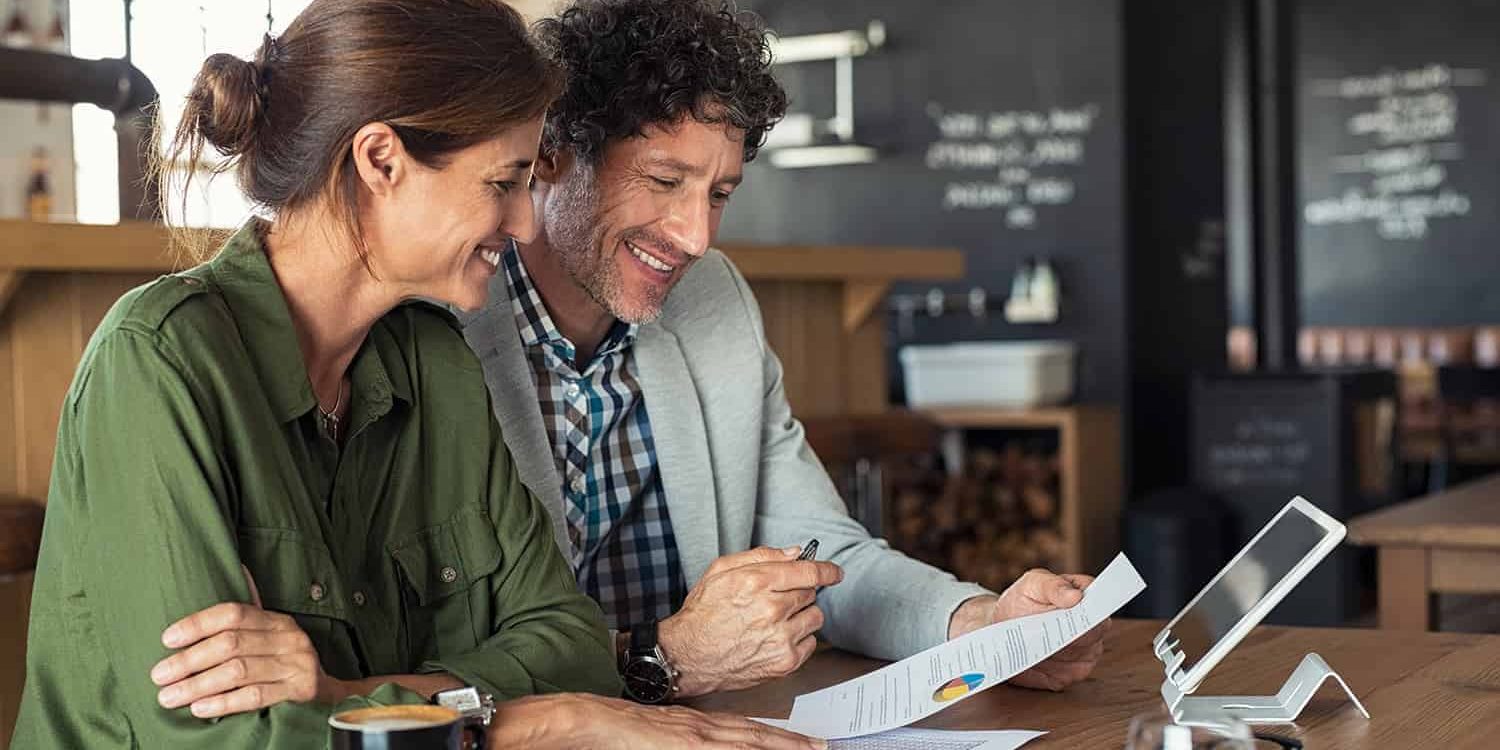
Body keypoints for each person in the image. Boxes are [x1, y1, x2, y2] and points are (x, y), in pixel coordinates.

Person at [12, 1, 819, 748]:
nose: (527, 219)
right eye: (504, 183)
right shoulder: (158, 364)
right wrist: (535, 720)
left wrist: (345, 693)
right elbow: (233, 738)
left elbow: (573, 645)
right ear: (380, 160)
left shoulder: (434, 359)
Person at [461, 0, 1109, 703]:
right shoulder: (442, 330)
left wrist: (984, 624)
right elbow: (440, 651)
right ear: (555, 157)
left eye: (720, 194)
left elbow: (823, 557)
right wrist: (661, 656)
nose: (695, 236)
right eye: (665, 181)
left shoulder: (715, 301)